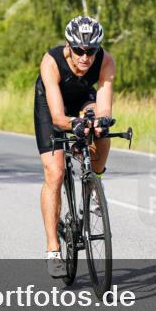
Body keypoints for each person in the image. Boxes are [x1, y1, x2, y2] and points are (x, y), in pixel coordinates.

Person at [34, 15, 116, 277]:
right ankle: (53, 249)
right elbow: (58, 118)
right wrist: (75, 125)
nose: (85, 57)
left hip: (83, 98)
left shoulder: (106, 61)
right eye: (80, 50)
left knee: (101, 127)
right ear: (69, 46)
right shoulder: (51, 62)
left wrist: (96, 124)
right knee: (55, 173)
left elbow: (104, 107)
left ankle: (94, 183)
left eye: (91, 51)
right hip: (52, 105)